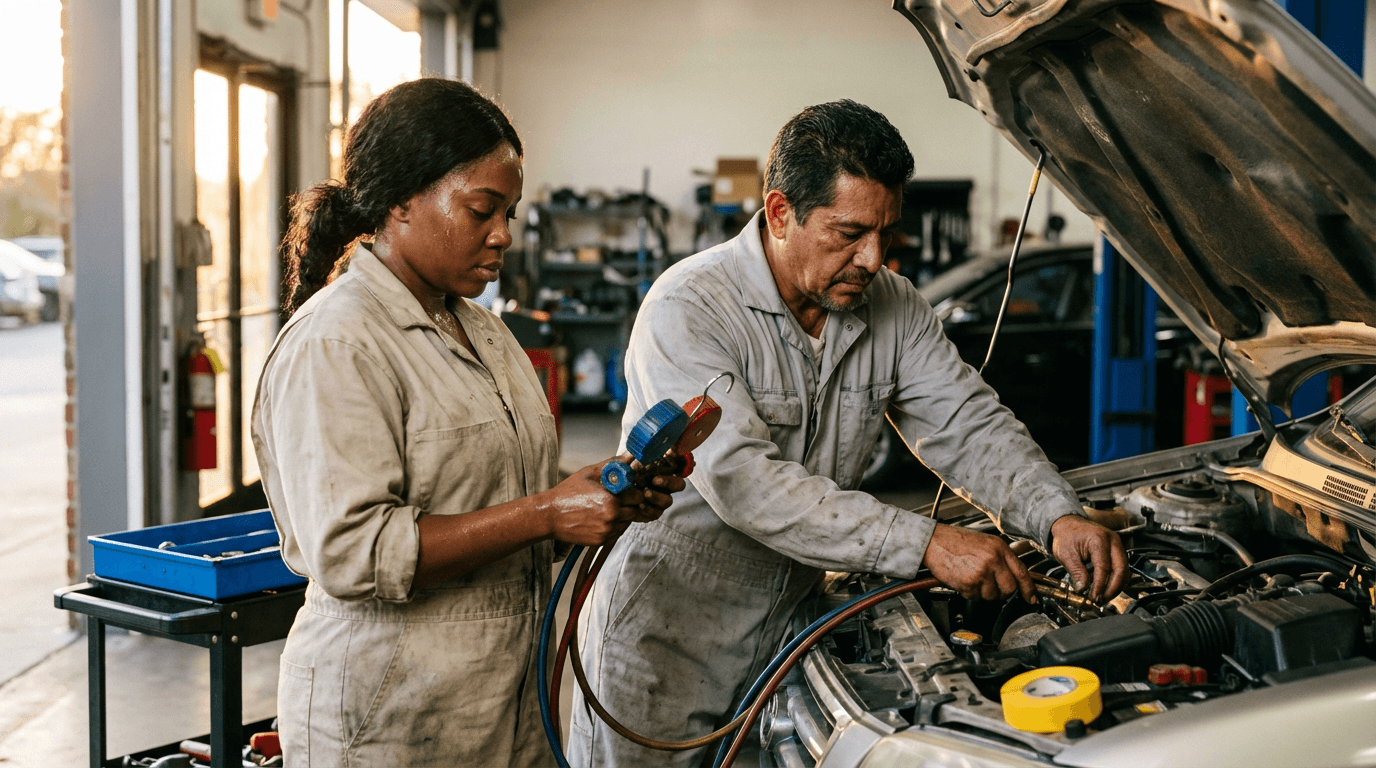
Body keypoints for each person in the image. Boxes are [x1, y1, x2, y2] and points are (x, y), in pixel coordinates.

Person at [568, 100, 1128, 766]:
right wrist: (926, 542)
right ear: (780, 214)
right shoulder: (689, 308)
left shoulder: (894, 305)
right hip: (664, 639)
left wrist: (1055, 515)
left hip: (790, 638)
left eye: (887, 234)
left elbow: (965, 422)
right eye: (849, 233)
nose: (872, 258)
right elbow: (746, 483)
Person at [251, 78, 684, 768]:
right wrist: (545, 512)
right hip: (390, 717)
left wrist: (596, 503)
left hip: (506, 704)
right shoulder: (336, 343)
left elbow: (498, 506)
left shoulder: (483, 330)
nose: (503, 234)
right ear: (400, 201)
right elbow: (355, 552)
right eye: (482, 209)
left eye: (509, 212)